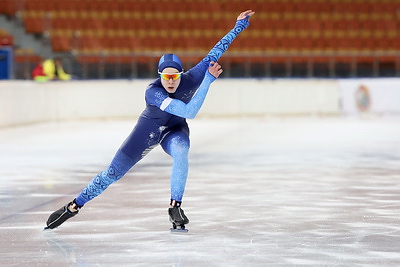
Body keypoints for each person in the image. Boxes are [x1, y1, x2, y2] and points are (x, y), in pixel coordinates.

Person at [45, 10, 255, 231]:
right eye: (166, 77)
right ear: (159, 76)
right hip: (146, 133)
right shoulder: (153, 92)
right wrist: (208, 82)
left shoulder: (191, 78)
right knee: (112, 174)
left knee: (182, 151)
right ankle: (73, 206)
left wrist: (238, 27)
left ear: (182, 74)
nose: (171, 82)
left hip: (173, 131)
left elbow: (216, 51)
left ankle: (175, 207)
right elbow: (189, 111)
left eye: (175, 76)